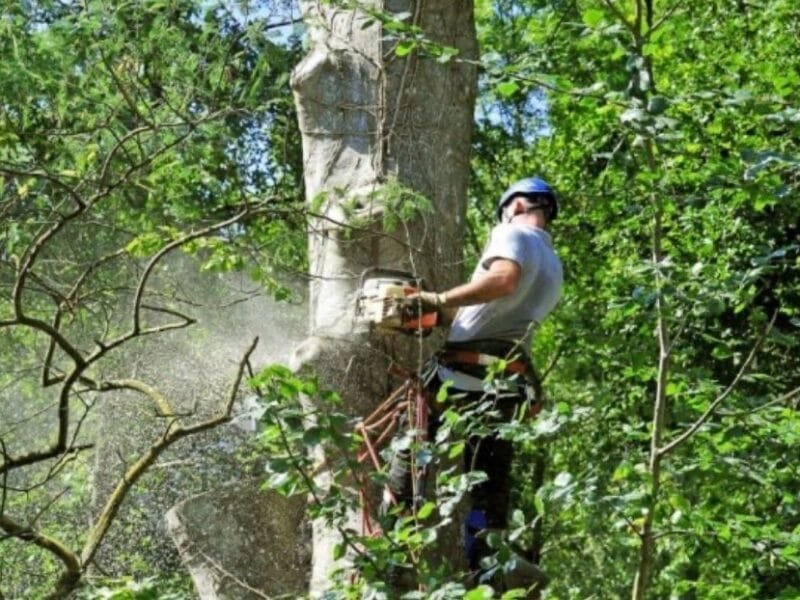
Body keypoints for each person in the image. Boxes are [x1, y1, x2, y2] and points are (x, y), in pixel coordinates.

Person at [384, 176, 563, 584]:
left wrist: (441, 299)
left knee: (410, 444)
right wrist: (437, 312)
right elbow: (497, 309)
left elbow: (502, 280)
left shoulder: (512, 231)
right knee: (488, 476)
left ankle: (392, 552)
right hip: (507, 383)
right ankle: (488, 561)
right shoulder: (554, 264)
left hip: (464, 372)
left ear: (516, 206)